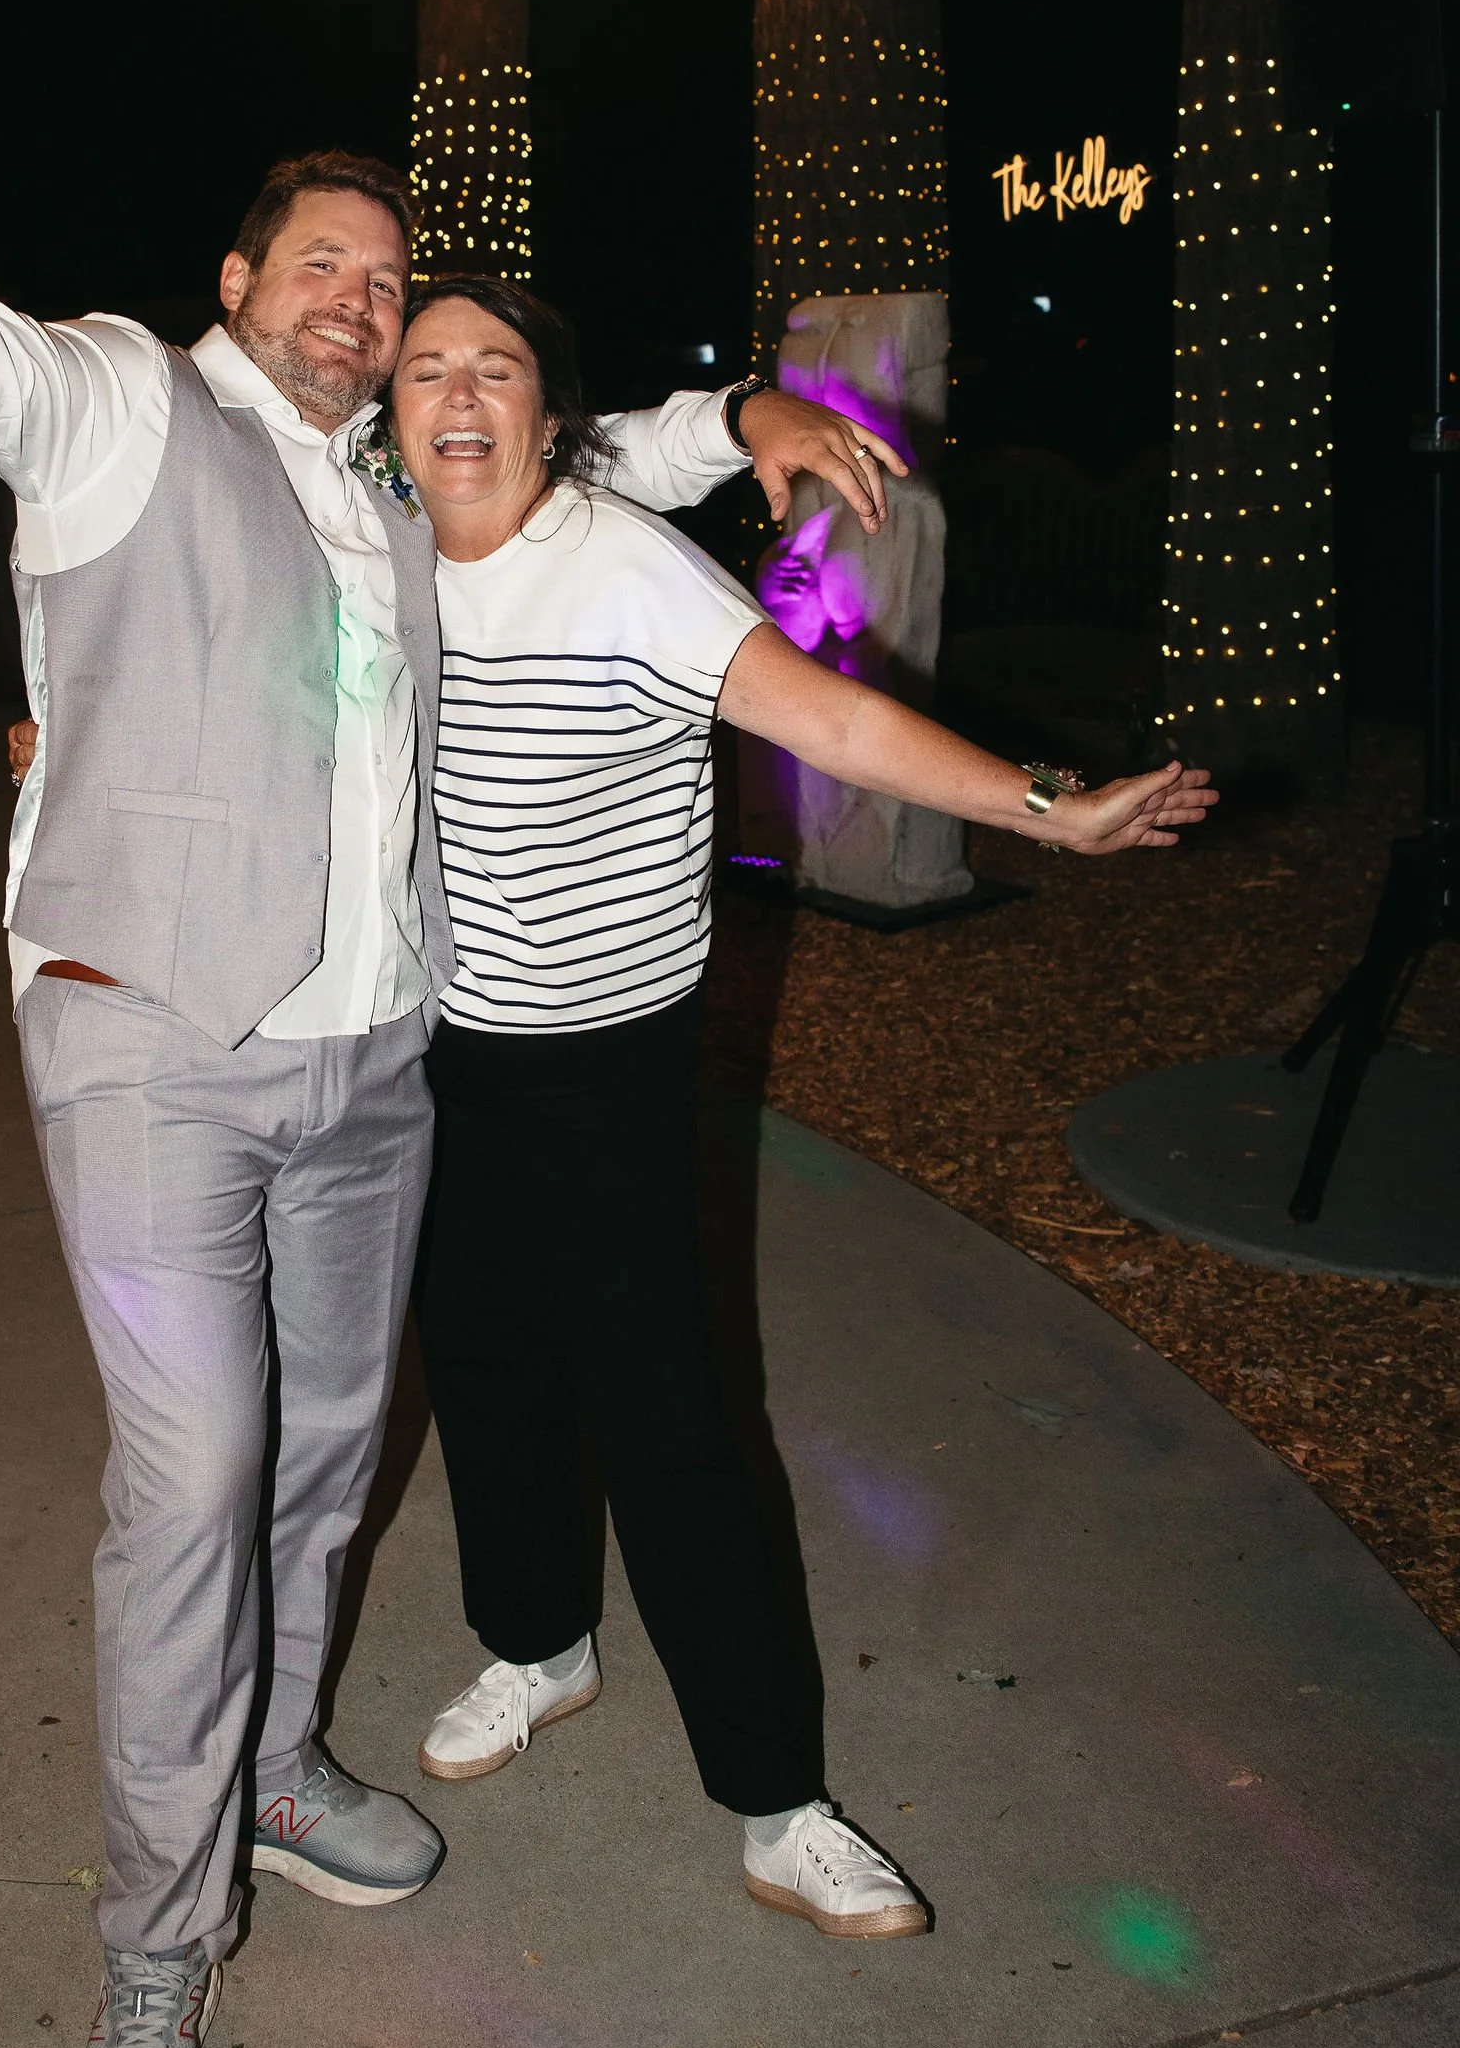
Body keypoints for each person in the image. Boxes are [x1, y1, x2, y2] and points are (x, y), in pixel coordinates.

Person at [0, 107, 897, 2048]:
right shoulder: (123, 406)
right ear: (236, 287)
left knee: (330, 1450)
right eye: (317, 261)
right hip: (151, 1049)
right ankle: (155, 1956)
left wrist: (753, 400)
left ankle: (271, 1764)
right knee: (199, 1482)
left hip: (370, 1071)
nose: (355, 292)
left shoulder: (395, 484)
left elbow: (588, 460)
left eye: (381, 271)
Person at [388, 279, 1214, 1935]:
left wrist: (1043, 806)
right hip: (440, 1047)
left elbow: (828, 711)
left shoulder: (619, 562)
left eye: (496, 370)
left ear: (555, 419)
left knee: (663, 1419)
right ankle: (535, 1643)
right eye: (426, 371)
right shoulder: (374, 537)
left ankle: (775, 1798)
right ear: (388, 414)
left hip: (608, 1060)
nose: (458, 398)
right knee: (480, 1365)